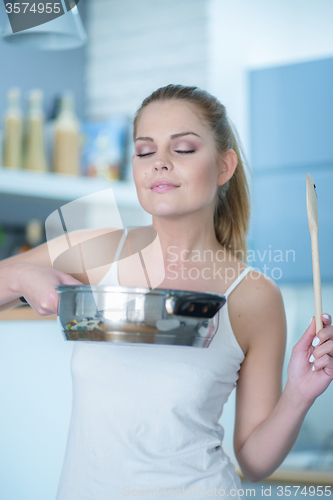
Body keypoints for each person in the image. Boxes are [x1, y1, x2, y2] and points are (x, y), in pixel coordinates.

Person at [0, 84, 332, 500]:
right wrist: (19, 278)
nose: (159, 163)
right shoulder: (99, 250)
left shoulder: (253, 295)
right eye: (144, 151)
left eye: (184, 149)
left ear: (224, 166)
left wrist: (299, 395)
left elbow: (254, 461)